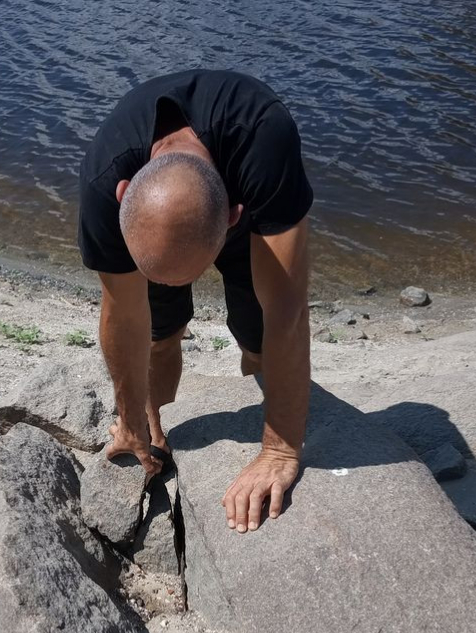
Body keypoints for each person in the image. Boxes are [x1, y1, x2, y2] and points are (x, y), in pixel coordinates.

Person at [78, 69, 313, 534]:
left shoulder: (265, 138)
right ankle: (151, 425)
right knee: (158, 334)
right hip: (170, 213)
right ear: (123, 195)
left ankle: (261, 395)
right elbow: (122, 314)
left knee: (260, 338)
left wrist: (280, 451)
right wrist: (128, 421)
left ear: (232, 217)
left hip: (247, 201)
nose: (169, 287)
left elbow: (287, 312)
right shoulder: (105, 181)